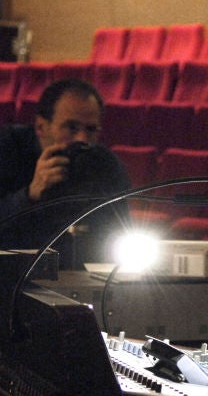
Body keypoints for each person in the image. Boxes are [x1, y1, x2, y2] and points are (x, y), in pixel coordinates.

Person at [0, 78, 131, 269]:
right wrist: (29, 195)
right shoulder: (7, 149)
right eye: (71, 127)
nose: (82, 138)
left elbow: (119, 232)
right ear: (41, 127)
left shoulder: (105, 164)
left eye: (91, 129)